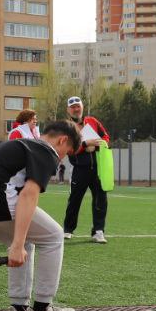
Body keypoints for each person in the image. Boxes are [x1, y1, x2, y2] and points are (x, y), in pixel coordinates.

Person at [0, 120, 82, 311]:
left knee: (25, 240)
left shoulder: (18, 144)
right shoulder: (46, 151)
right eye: (67, 152)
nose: (62, 158)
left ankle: (18, 310)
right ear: (62, 140)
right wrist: (16, 245)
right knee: (53, 236)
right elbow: (28, 195)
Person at [61, 96, 111, 243]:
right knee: (74, 200)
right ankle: (68, 229)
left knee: (100, 200)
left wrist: (97, 144)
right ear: (68, 110)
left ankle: (98, 231)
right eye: (73, 107)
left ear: (82, 107)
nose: (76, 109)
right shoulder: (65, 127)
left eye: (78, 106)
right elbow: (68, 149)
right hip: (79, 170)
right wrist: (84, 144)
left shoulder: (93, 121)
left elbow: (106, 137)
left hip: (98, 169)